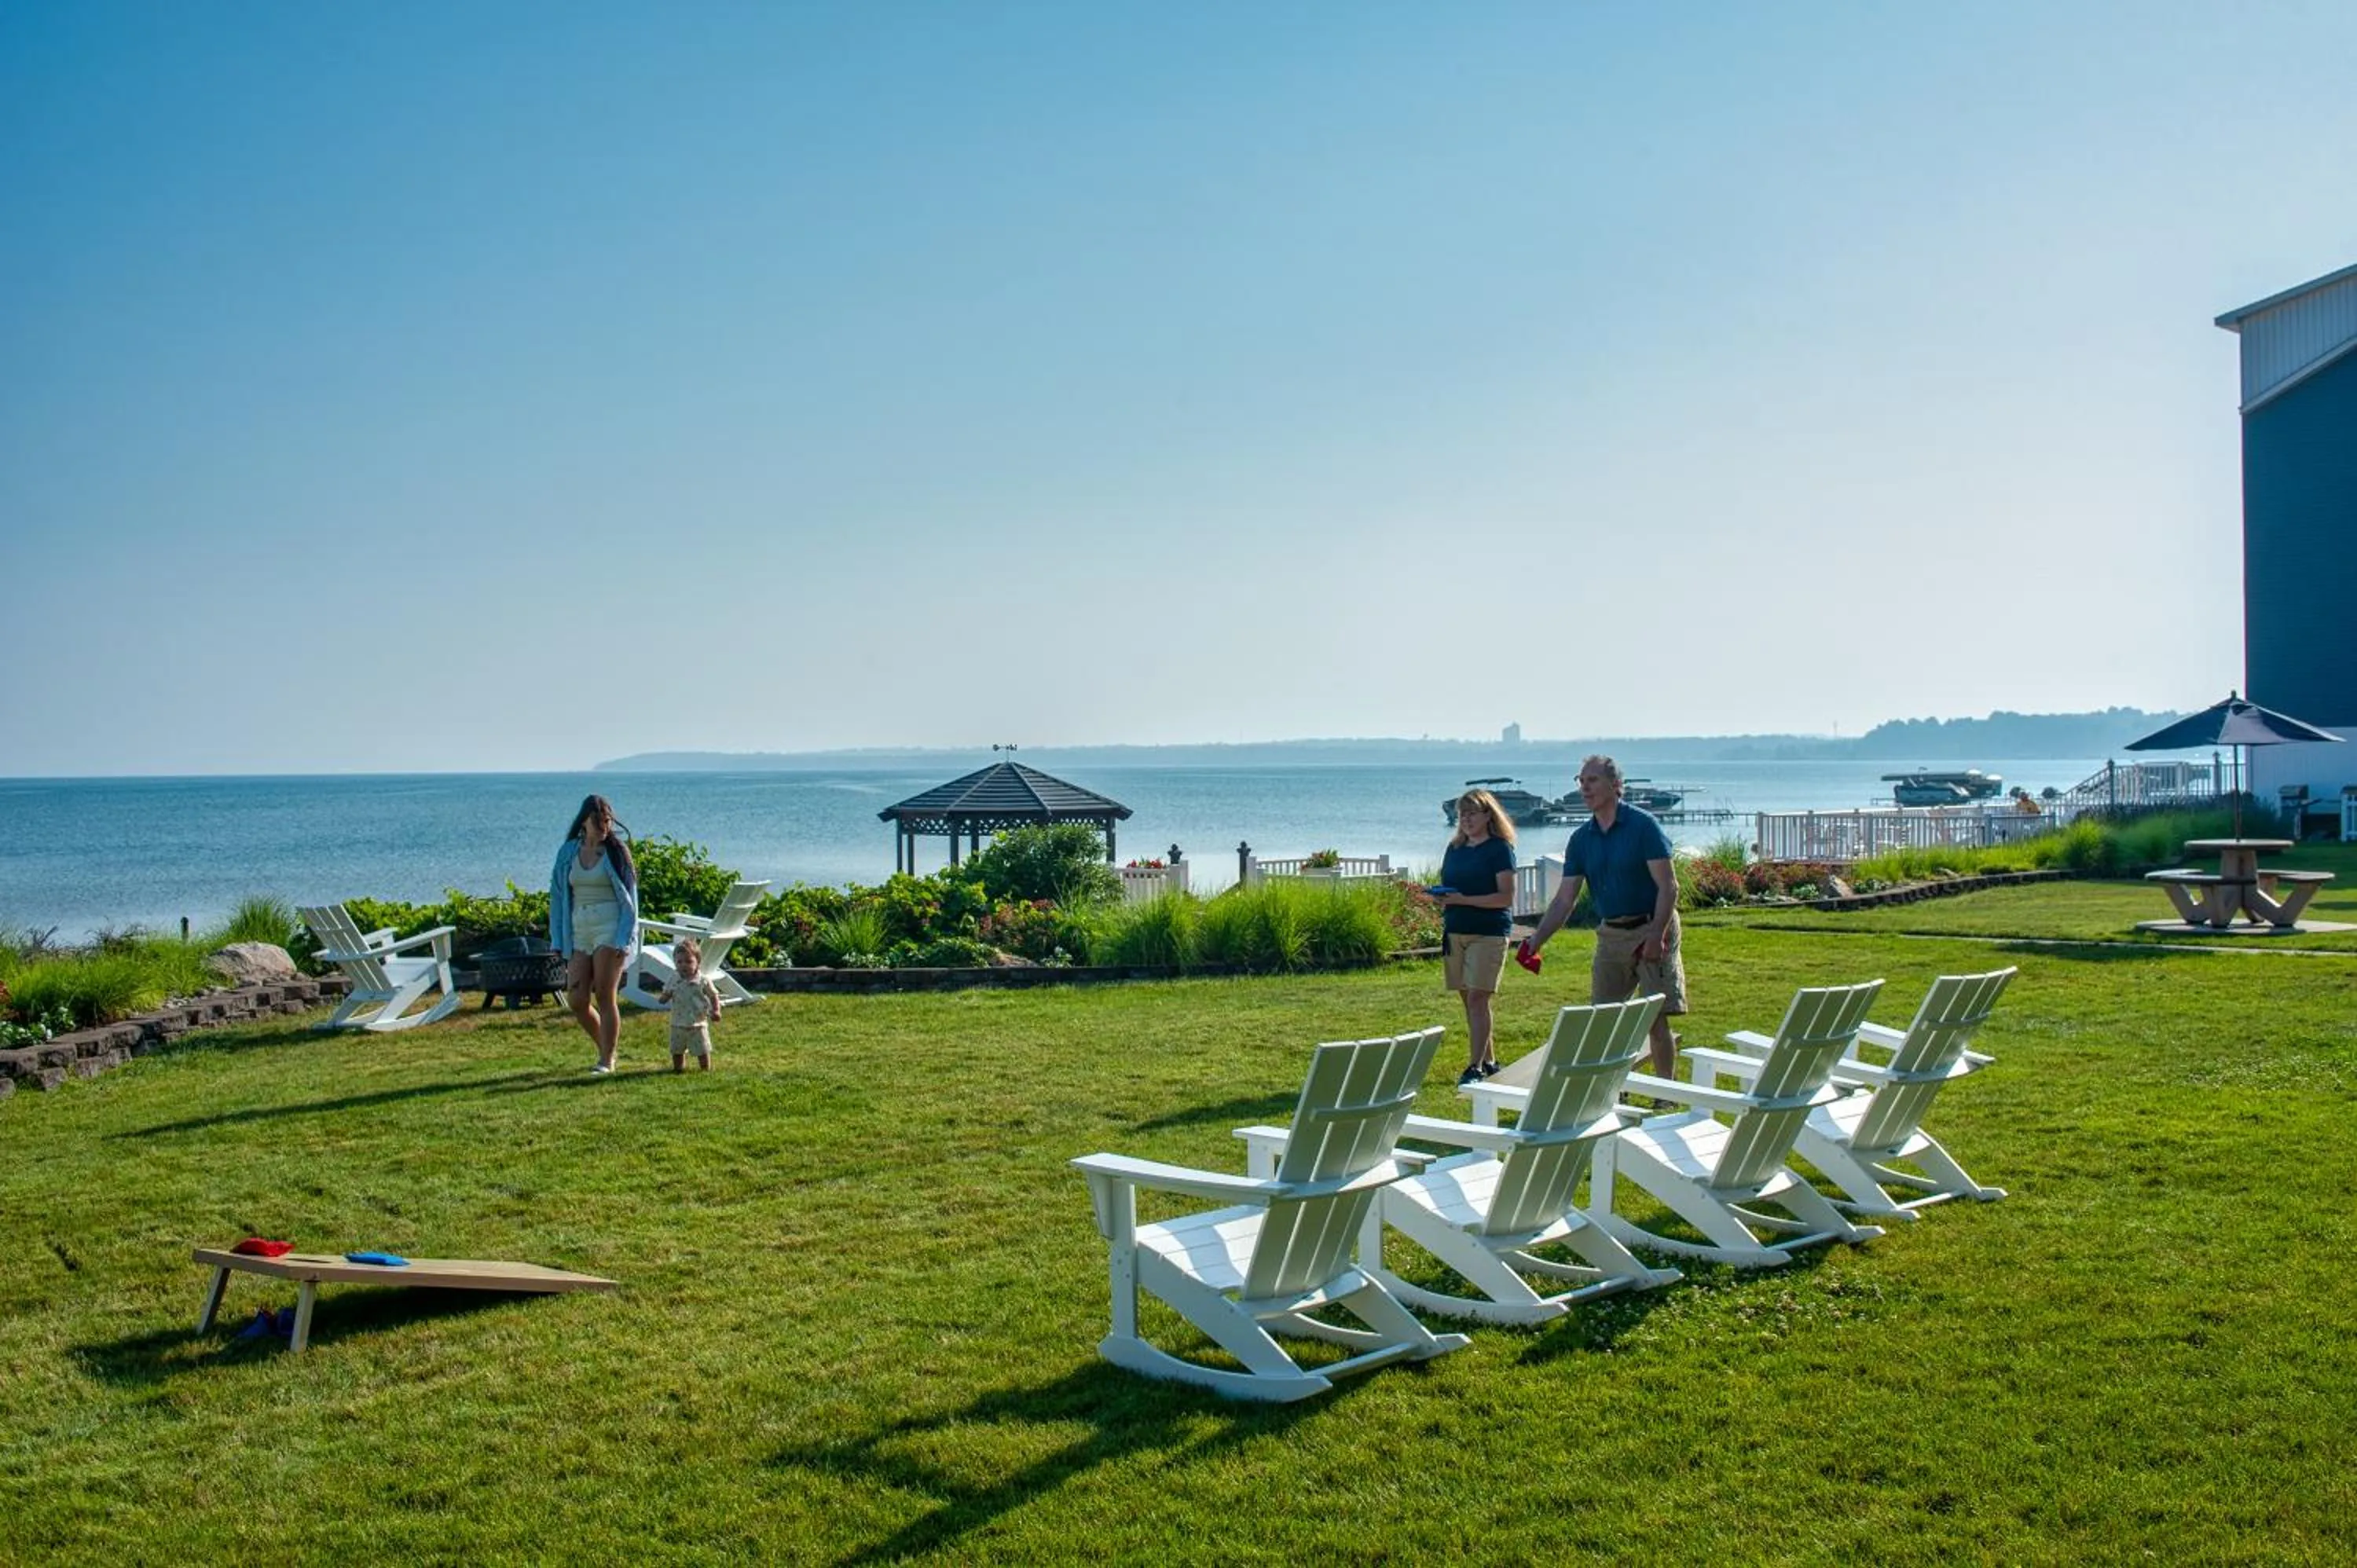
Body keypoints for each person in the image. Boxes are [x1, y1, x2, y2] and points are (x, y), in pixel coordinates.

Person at [1520, 755, 1684, 1078]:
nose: (1585, 788)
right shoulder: (1581, 839)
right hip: (1611, 933)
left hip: (1653, 925)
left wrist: (1656, 936)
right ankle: (1609, 1091)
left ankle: (1667, 1095)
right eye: (1581, 781)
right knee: (1604, 1018)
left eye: (1592, 780)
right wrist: (1536, 941)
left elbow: (1668, 886)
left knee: (1654, 1017)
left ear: (1616, 785)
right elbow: (1564, 899)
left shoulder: (1643, 826)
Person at [548, 794, 638, 1074]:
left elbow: (631, 900)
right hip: (579, 930)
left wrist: (624, 939)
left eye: (607, 821)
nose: (603, 827)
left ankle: (606, 1060)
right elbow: (558, 896)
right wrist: (557, 939)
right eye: (598, 821)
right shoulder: (568, 852)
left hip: (610, 929)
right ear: (584, 821)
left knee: (605, 994)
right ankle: (607, 1047)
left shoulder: (616, 852)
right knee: (576, 999)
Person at [1435, 786, 1519, 1087]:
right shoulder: (1455, 847)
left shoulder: (1500, 849)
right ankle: (1491, 1061)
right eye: (1462, 814)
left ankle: (1474, 1068)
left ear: (1488, 815)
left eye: (1472, 813)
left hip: (1489, 932)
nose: (1466, 819)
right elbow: (1451, 886)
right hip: (1456, 929)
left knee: (1478, 997)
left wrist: (1463, 899)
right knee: (1468, 1000)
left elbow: (1505, 897)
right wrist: (1442, 898)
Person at [658, 936, 722, 1073]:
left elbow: (713, 995)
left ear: (697, 963)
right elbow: (668, 992)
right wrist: (664, 997)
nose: (683, 965)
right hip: (678, 1022)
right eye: (679, 962)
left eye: (688, 961)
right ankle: (678, 1069)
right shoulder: (674, 978)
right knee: (677, 1049)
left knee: (702, 1049)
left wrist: (716, 1010)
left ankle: (705, 1069)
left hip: (698, 1022)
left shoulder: (702, 980)